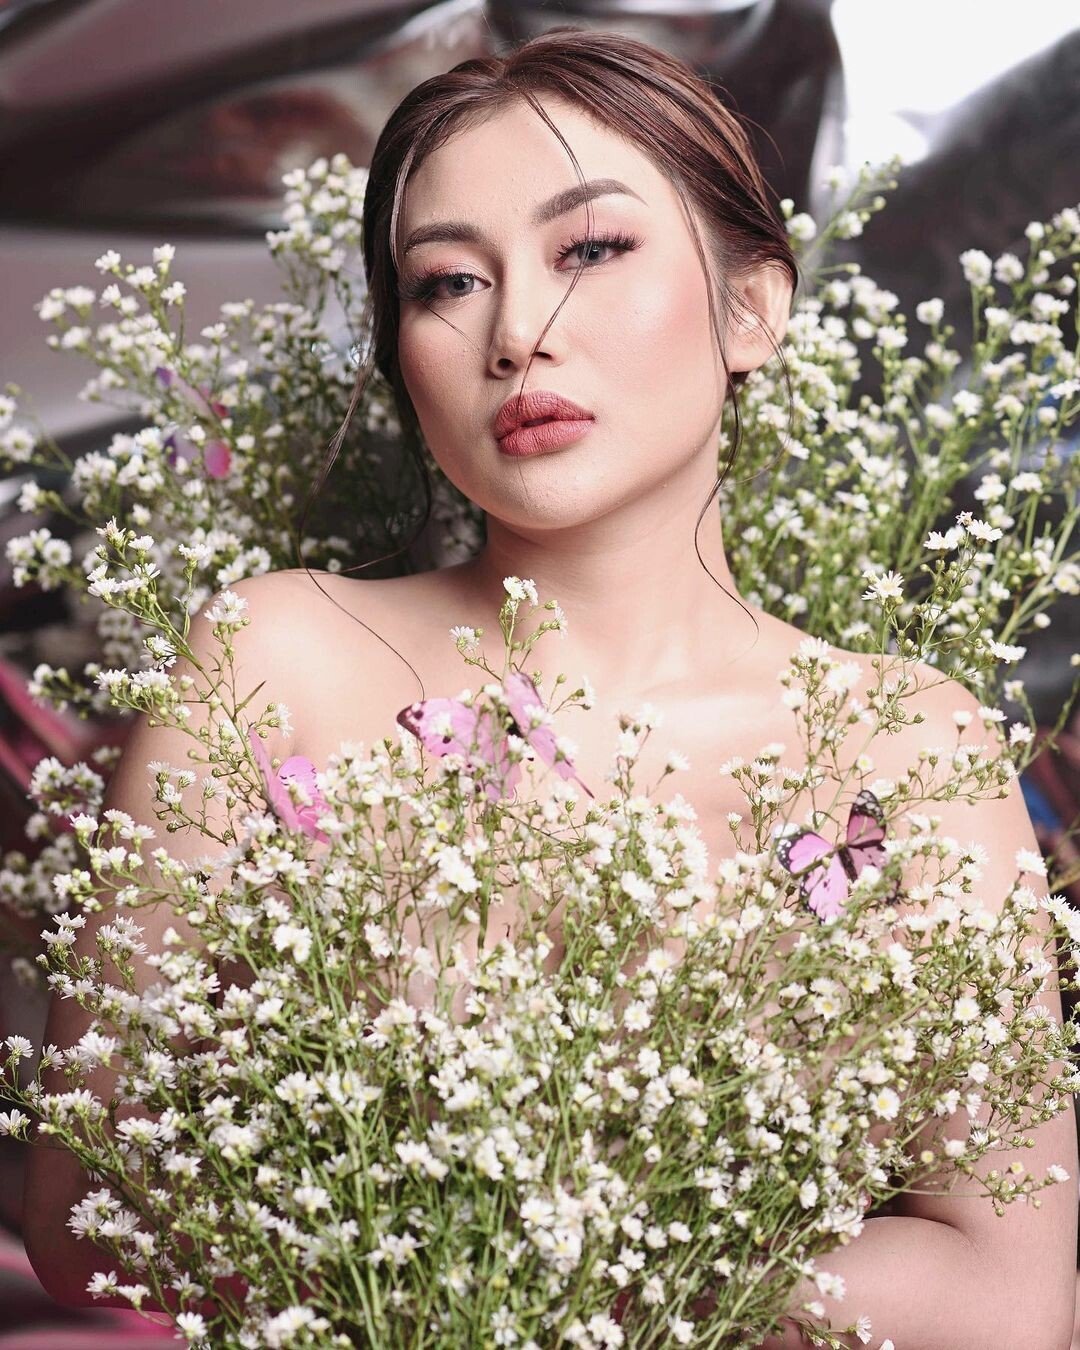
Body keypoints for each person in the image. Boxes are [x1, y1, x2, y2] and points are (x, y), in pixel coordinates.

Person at [22, 25, 1078, 1347]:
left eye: (591, 250)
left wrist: (563, 1272)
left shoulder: (911, 746)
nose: (518, 332)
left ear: (752, 307)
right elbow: (87, 1209)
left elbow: (1011, 1296)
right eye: (449, 282)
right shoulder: (273, 663)